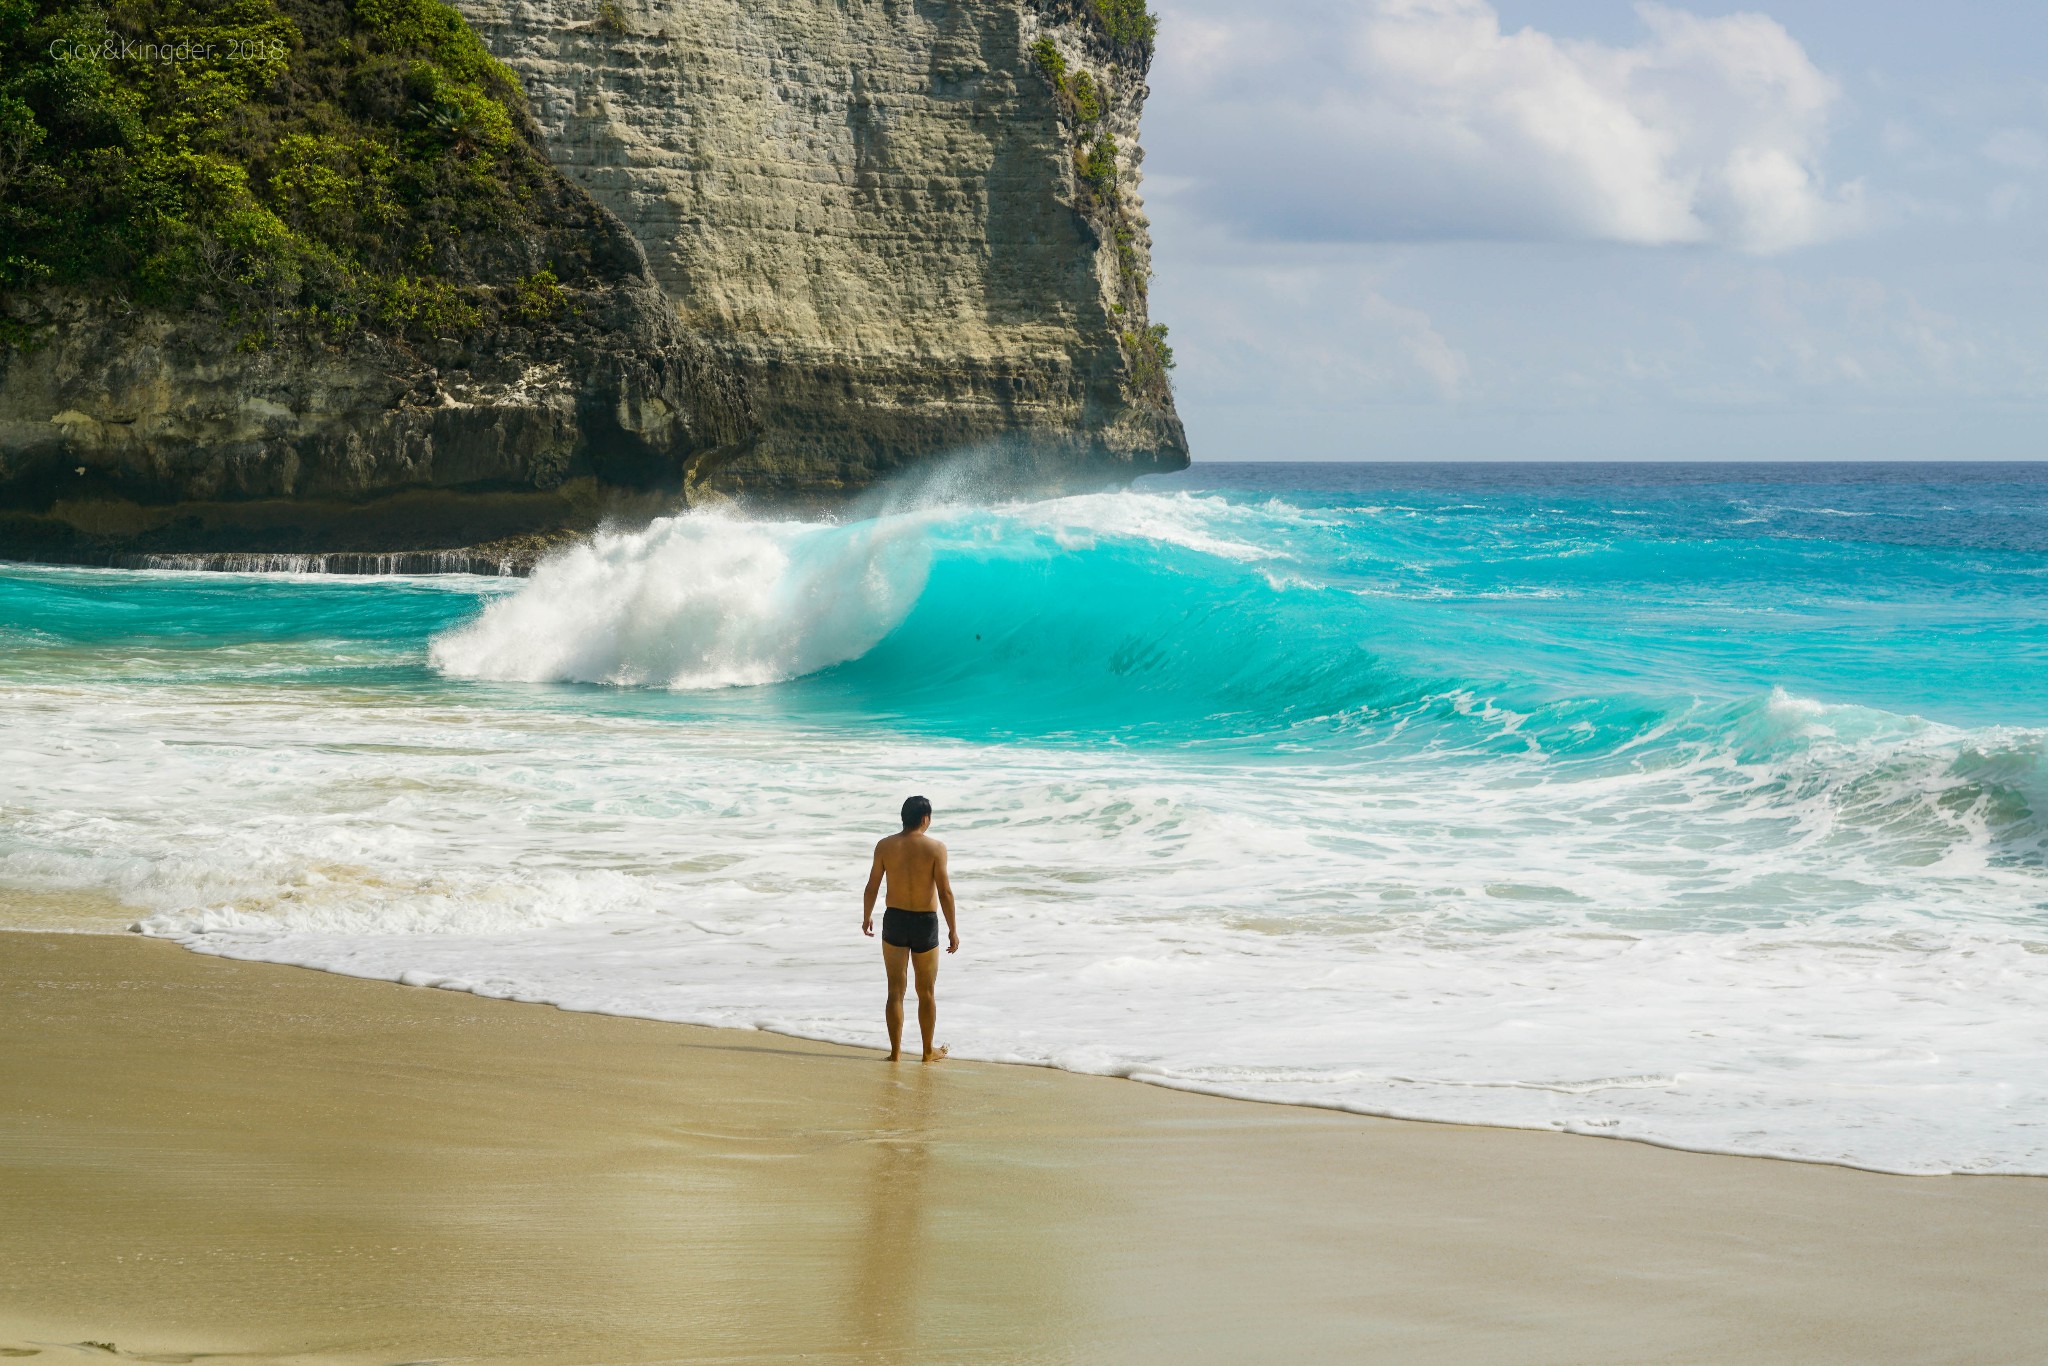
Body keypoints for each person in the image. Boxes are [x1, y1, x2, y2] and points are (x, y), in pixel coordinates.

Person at [861, 794, 958, 1063]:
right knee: (925, 992)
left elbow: (872, 886)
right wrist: (952, 929)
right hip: (925, 922)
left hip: (894, 919)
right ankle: (927, 1052)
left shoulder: (885, 846)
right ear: (925, 819)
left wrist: (867, 916)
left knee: (895, 990)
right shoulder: (936, 848)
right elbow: (945, 892)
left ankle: (895, 1053)